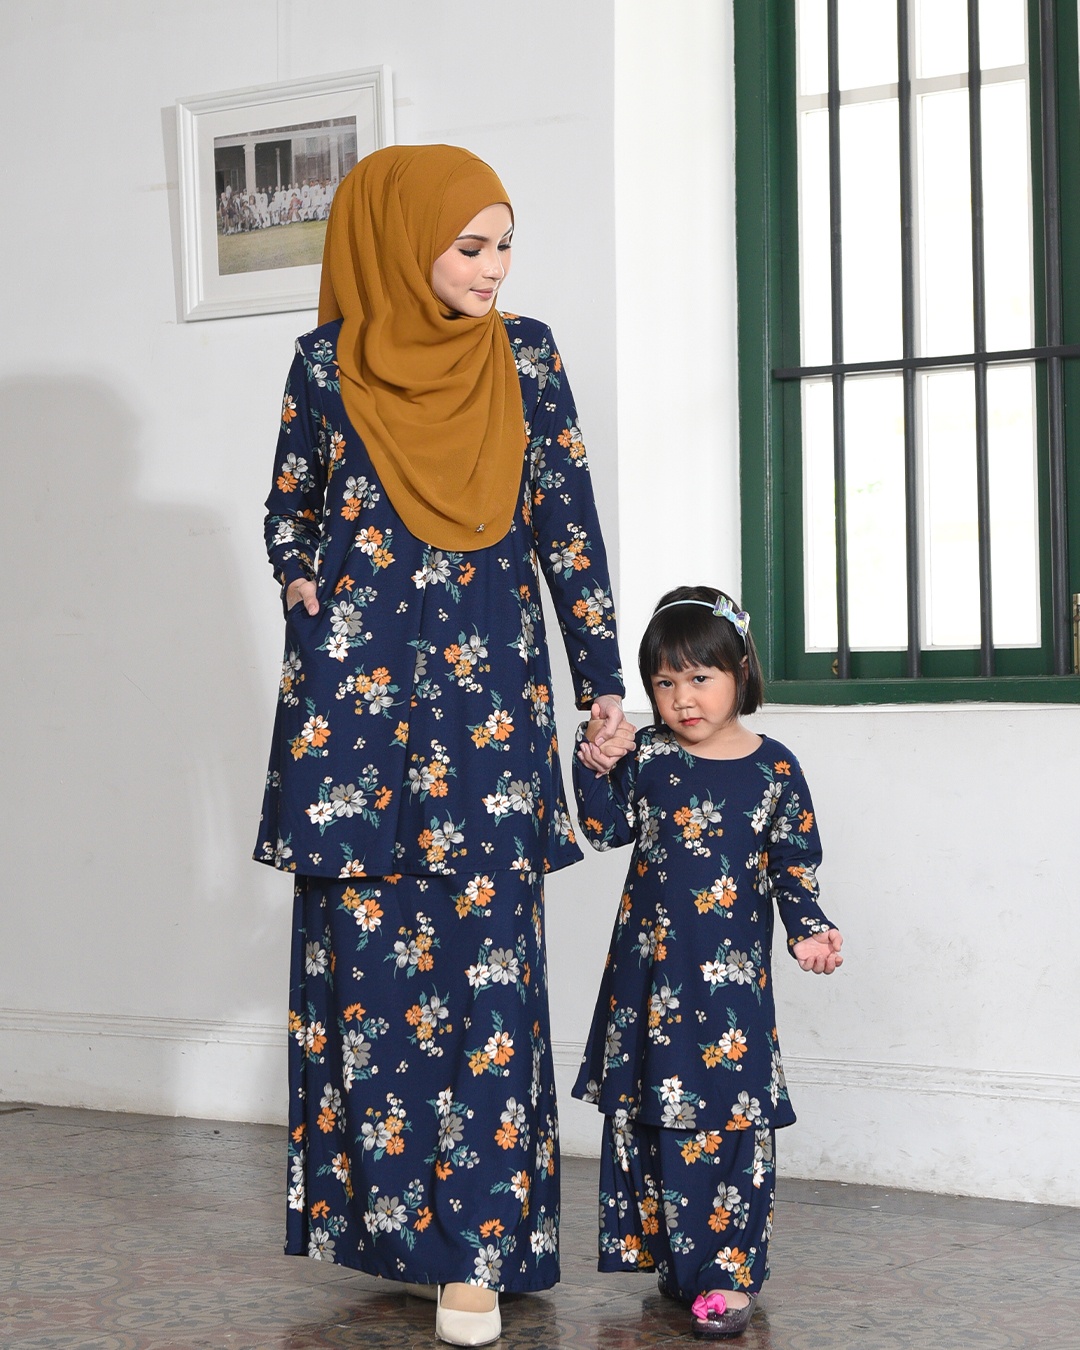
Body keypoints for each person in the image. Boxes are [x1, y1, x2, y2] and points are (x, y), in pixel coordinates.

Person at [254, 143, 628, 1347]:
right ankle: (401, 1239)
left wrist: (602, 686)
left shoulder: (529, 358)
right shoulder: (326, 365)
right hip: (351, 722)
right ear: (399, 242)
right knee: (368, 986)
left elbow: (568, 529)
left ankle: (478, 1251)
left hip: (488, 719)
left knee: (487, 978)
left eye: (505, 244)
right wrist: (299, 577)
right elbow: (290, 506)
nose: (493, 266)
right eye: (470, 245)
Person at [571, 585, 843, 1340]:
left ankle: (727, 1273)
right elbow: (604, 829)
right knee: (655, 1110)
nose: (682, 699)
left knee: (729, 1112)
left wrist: (810, 930)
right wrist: (595, 762)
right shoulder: (650, 756)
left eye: (700, 677)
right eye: (664, 683)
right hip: (649, 977)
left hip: (730, 988)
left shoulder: (775, 768)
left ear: (740, 671)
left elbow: (794, 862)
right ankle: (679, 1261)